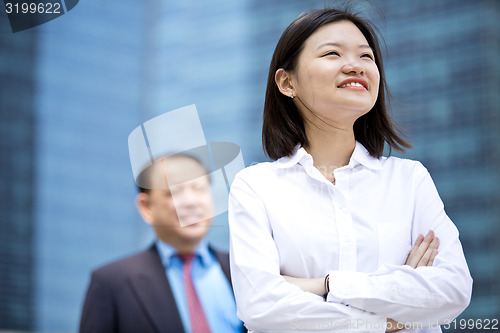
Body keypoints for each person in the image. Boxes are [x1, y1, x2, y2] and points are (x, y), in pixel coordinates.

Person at [228, 7, 472, 333]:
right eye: (332, 53)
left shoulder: (409, 180)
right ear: (287, 82)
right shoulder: (256, 186)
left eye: (366, 56)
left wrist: (325, 285)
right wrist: (387, 316)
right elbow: (259, 306)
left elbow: (453, 291)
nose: (355, 65)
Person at [80, 154, 245, 333]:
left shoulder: (243, 269)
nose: (191, 202)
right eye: (174, 192)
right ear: (146, 207)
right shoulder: (111, 282)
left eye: (199, 189)